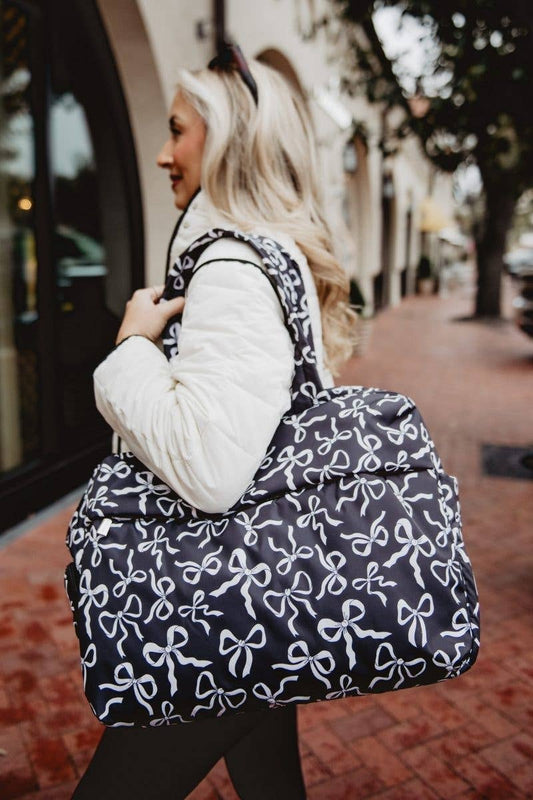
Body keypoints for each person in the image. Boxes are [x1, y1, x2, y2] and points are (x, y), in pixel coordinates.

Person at [72, 45, 356, 800]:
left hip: (211, 603)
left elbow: (209, 469)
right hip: (259, 585)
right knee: (271, 784)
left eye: (177, 130)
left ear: (226, 138)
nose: (162, 154)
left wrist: (132, 346)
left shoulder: (230, 266)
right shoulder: (262, 250)